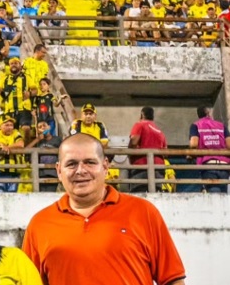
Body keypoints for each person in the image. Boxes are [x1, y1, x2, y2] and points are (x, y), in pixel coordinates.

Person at [22, 133, 186, 285]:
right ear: (59, 171)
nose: (81, 170)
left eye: (90, 162)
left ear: (105, 166)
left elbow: (173, 279)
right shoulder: (39, 224)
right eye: (71, 164)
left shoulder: (143, 212)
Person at [189, 106, 230, 193]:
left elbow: (193, 144)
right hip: (224, 165)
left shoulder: (196, 125)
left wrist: (189, 155)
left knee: (214, 193)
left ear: (198, 115)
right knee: (223, 195)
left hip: (208, 165)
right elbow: (229, 145)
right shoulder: (221, 125)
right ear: (208, 113)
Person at [128, 106, 167, 192]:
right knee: (156, 195)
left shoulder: (139, 125)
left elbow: (133, 142)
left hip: (142, 166)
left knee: (139, 194)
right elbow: (165, 152)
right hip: (158, 168)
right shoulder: (160, 131)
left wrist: (129, 153)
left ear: (142, 114)